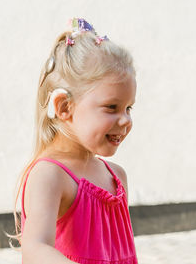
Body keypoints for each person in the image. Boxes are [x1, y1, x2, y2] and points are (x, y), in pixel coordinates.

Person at [9, 18, 138, 264]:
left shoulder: (117, 177)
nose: (125, 120)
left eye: (128, 108)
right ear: (65, 106)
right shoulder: (50, 175)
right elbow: (35, 249)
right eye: (112, 107)